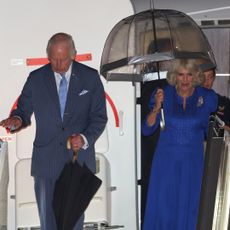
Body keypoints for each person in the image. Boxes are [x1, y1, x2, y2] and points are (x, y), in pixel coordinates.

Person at [0, 32, 107, 230]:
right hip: (46, 161)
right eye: (53, 60)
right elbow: (23, 111)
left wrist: (84, 138)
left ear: (73, 54)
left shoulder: (90, 78)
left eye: (63, 59)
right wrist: (16, 120)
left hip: (77, 161)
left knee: (73, 220)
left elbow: (99, 118)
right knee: (48, 222)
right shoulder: (36, 79)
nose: (58, 65)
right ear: (48, 55)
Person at [142, 59, 217, 230]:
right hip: (166, 162)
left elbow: (210, 130)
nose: (185, 79)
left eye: (189, 75)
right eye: (180, 75)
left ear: (196, 76)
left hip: (193, 162)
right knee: (164, 206)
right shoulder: (162, 93)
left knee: (191, 205)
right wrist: (157, 106)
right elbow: (146, 129)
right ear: (174, 77)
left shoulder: (206, 97)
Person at [200, 61, 230, 132]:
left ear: (214, 78)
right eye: (202, 77)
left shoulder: (224, 102)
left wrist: (225, 129)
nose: (206, 81)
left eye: (209, 77)